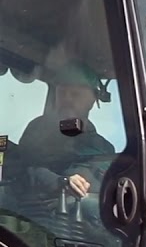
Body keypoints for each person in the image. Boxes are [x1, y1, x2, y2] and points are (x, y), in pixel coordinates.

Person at [11, 63, 116, 215]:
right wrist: (58, 181)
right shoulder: (37, 130)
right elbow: (19, 169)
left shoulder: (103, 148)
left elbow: (98, 186)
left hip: (78, 217)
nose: (67, 99)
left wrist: (74, 183)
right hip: (31, 213)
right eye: (61, 93)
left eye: (75, 94)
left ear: (92, 100)